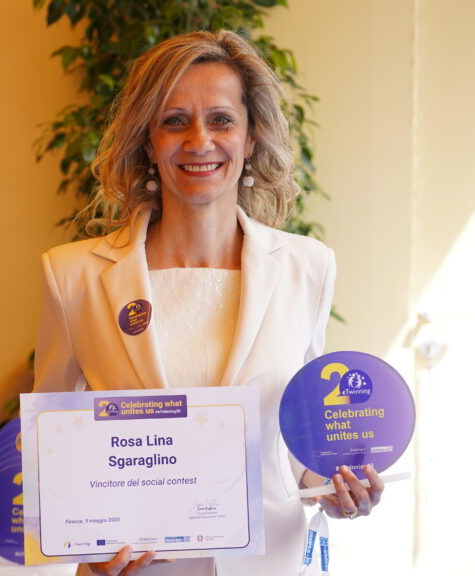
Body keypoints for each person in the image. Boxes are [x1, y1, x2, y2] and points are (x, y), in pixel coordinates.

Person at [32, 30, 384, 576]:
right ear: (148, 141)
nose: (199, 140)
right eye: (175, 121)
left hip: (269, 563)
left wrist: (335, 490)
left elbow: (299, 446)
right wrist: (86, 554)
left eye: (221, 120)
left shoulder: (308, 268)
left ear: (250, 137)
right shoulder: (73, 276)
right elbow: (51, 448)